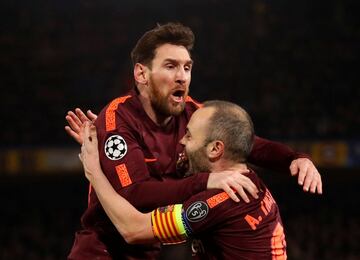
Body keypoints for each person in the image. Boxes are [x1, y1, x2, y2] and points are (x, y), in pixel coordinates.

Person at [65, 22, 321, 259]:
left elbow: (239, 140)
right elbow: (133, 196)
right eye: (170, 66)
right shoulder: (116, 123)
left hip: (148, 246)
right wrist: (206, 180)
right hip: (104, 251)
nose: (182, 77)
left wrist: (293, 158)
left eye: (187, 67)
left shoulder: (192, 112)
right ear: (141, 74)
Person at [80, 100, 287, 259]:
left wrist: (94, 172)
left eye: (189, 135)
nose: (181, 140)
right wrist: (122, 138)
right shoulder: (250, 180)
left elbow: (132, 229)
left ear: (215, 149)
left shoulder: (219, 200)